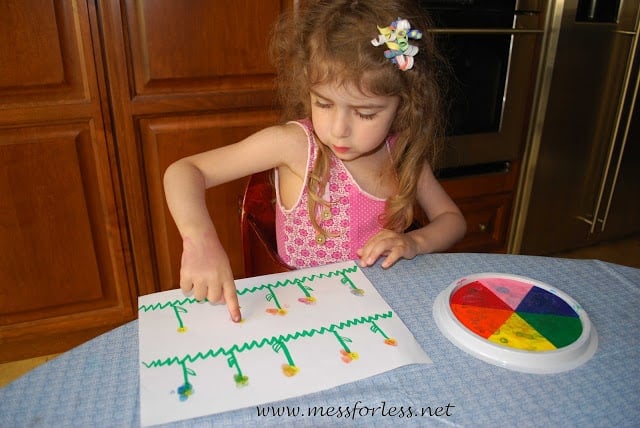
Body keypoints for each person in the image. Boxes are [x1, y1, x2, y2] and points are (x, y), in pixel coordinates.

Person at [163, 0, 467, 323]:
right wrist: (200, 240)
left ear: (403, 105)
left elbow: (452, 220)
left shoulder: (402, 155)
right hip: (301, 321)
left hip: (379, 318)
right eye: (323, 103)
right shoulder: (295, 147)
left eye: (365, 113)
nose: (339, 130)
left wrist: (414, 241)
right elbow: (184, 171)